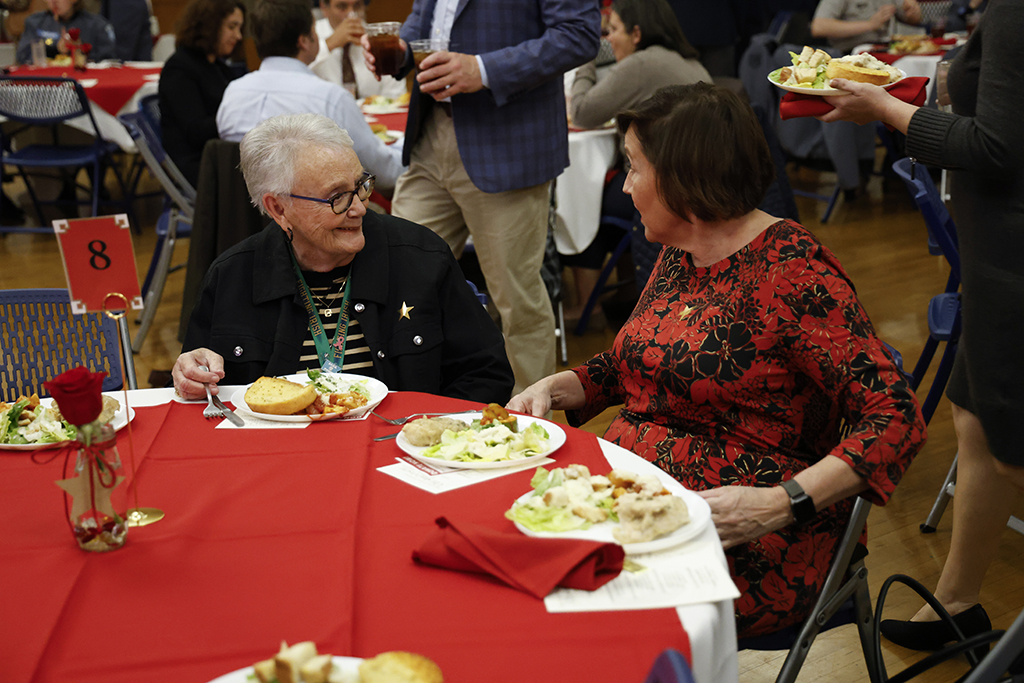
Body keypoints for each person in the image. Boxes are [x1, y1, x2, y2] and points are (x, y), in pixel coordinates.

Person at [508, 83, 927, 637]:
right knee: (514, 563)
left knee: (560, 607)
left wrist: (781, 503)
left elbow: (896, 417)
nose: (626, 185)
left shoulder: (792, 271)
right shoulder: (683, 251)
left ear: (685, 180)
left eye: (634, 168)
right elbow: (636, 362)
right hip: (639, 503)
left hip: (749, 535)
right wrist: (555, 387)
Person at [819, 0, 1024, 652]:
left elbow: (994, 146)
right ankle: (959, 604)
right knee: (972, 415)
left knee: (1011, 448)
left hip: (1013, 254)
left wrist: (887, 111)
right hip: (995, 252)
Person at [175, 113, 514, 405]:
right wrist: (191, 374)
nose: (360, 208)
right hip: (282, 460)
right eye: (337, 197)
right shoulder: (233, 277)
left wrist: (425, 432)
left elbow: (487, 374)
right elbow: (203, 394)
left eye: (360, 186)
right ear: (278, 208)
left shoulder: (420, 259)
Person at [363, 0, 601, 394]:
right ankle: (401, 403)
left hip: (508, 143)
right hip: (430, 134)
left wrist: (485, 69)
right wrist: (403, 50)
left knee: (516, 299)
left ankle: (528, 425)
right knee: (393, 274)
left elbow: (578, 35)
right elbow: (424, 24)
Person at [567, 0, 710, 323]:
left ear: (636, 33)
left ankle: (589, 304)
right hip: (698, 182)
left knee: (585, 199)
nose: (608, 39)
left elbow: (582, 111)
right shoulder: (685, 59)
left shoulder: (642, 64)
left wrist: (586, 58)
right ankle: (626, 291)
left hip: (671, 189)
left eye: (613, 30)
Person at [217, 0, 405, 193]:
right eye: (314, 30)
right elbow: (386, 173)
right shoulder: (330, 99)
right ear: (304, 41)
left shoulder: (232, 93)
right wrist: (410, 152)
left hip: (239, 215)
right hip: (316, 216)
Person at [158, 0, 245, 186]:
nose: (238, 36)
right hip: (197, 165)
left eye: (240, 28)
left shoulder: (217, 66)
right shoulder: (179, 68)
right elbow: (195, 131)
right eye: (232, 27)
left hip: (218, 154)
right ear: (210, 25)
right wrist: (238, 116)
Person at [310, 0, 405, 100]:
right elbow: (295, 75)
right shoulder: (310, 35)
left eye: (357, 6)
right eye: (342, 7)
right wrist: (328, 45)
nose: (351, 15)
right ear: (324, 8)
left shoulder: (378, 38)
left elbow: (396, 94)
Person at [15, 0, 116, 64]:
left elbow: (109, 60)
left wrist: (80, 50)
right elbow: (22, 57)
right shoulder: (35, 23)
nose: (54, 1)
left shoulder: (97, 25)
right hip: (45, 85)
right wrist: (56, 48)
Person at [811, 0, 923, 55]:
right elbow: (819, 27)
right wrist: (869, 25)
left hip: (886, 49)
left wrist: (913, 12)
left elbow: (912, 19)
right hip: (849, 53)